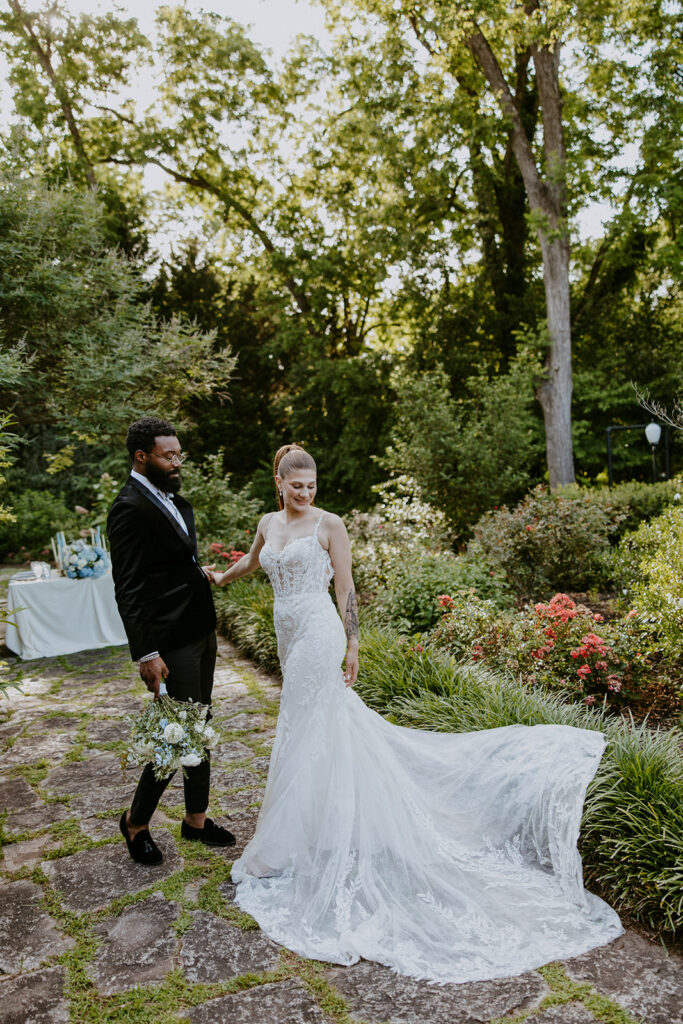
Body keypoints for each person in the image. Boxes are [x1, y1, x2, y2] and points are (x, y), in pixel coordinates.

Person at [204, 442, 622, 984]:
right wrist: (220, 578)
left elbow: (347, 591)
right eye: (297, 486)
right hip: (288, 633)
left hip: (319, 632)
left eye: (311, 485)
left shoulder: (330, 525)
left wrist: (352, 646)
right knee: (312, 727)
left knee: (304, 726)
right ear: (279, 484)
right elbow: (253, 560)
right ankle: (317, 826)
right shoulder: (268, 522)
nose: (305, 493)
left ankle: (290, 839)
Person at [108, 416, 235, 865]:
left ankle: (195, 821)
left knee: (199, 724)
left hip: (200, 629)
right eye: (169, 455)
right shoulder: (128, 508)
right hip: (169, 639)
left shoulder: (174, 501)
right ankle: (136, 822)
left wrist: (198, 573)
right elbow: (129, 587)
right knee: (175, 734)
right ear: (142, 457)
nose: (177, 461)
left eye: (179, 453)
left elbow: (174, 561)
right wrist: (146, 652)